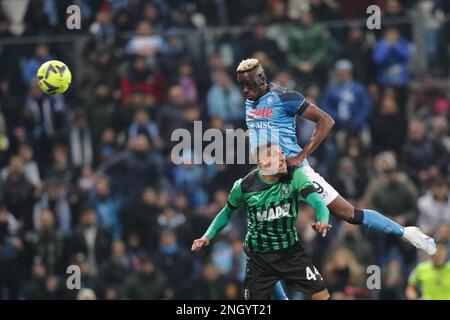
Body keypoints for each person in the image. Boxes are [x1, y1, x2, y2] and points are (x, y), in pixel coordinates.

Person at [235, 57, 436, 257]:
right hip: (269, 175)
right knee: (258, 241)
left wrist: (301, 155)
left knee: (348, 213)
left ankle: (406, 232)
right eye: (242, 85)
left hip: (293, 171)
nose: (245, 90)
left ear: (262, 78)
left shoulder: (284, 97)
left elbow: (326, 121)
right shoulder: (249, 101)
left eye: (250, 85)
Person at [192, 143, 331, 300]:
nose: (282, 158)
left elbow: (319, 203)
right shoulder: (244, 186)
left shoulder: (295, 176)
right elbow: (226, 213)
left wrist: (323, 220)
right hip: (259, 258)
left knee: (322, 295)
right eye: (275, 155)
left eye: (282, 154)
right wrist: (207, 236)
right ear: (262, 163)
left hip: (290, 251)